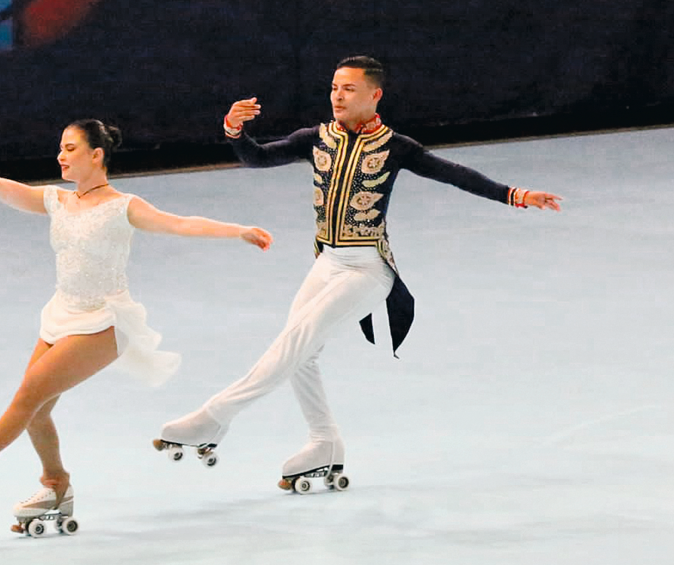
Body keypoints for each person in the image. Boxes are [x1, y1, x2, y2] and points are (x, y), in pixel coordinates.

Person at [156, 56, 563, 491]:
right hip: (327, 262)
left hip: (367, 269)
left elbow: (455, 175)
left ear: (375, 95)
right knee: (300, 353)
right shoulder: (315, 138)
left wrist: (515, 195)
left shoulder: (396, 146)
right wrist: (235, 131)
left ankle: (214, 417)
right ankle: (324, 443)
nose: (337, 95)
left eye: (348, 88)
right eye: (334, 87)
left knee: (293, 342)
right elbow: (256, 159)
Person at [0, 109, 273, 531]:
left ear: (96, 155)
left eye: (70, 149)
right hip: (60, 314)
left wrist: (237, 229)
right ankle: (56, 484)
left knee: (27, 396)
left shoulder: (123, 207)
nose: (61, 156)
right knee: (37, 412)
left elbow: (181, 224)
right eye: (60, 148)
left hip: (103, 323)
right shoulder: (56, 200)